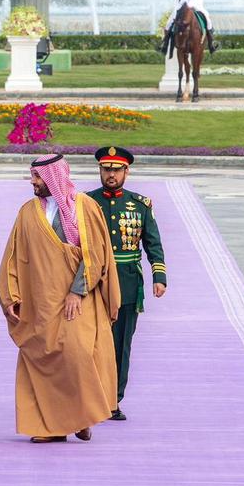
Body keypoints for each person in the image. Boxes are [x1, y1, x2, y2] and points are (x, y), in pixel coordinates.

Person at [0, 154, 121, 443]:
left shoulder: (84, 207)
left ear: (53, 177)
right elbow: (13, 257)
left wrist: (78, 291)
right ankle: (50, 428)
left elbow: (96, 254)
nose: (33, 182)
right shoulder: (28, 211)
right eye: (32, 176)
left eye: (37, 177)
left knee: (78, 355)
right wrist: (11, 295)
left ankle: (81, 416)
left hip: (79, 298)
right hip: (40, 302)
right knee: (41, 359)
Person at [86, 147, 167, 421]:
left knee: (121, 344)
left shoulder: (140, 205)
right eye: (106, 169)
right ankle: (90, 397)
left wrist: (159, 275)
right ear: (100, 171)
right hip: (93, 285)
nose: (111, 174)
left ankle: (112, 400)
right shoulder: (85, 202)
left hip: (127, 284)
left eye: (116, 170)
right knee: (91, 343)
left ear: (126, 172)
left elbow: (152, 242)